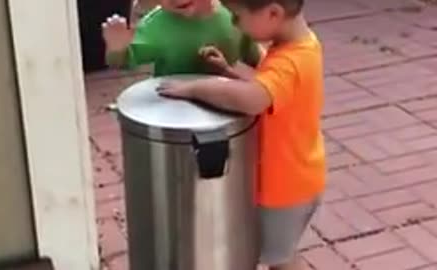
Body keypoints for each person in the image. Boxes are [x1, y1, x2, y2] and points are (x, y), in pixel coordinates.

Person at [157, 1, 325, 270]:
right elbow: (269, 86)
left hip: (285, 188)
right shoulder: (302, 45)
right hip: (301, 174)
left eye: (237, 16)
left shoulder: (290, 62)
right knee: (280, 253)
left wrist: (196, 89)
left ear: (273, 13)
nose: (234, 24)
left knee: (282, 260)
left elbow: (252, 100)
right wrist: (228, 71)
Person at [101, 0, 261, 77]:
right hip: (177, 116)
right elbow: (121, 61)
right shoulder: (157, 26)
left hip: (233, 108)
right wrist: (116, 48)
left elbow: (256, 59)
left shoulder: (235, 10)